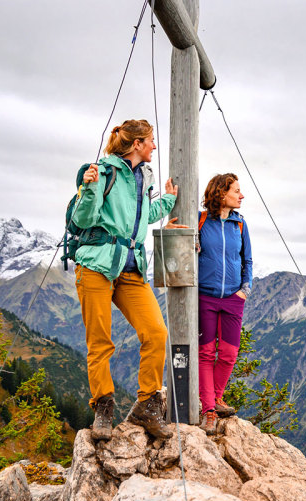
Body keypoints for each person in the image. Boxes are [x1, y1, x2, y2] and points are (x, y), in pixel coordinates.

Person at [70, 119, 179, 441]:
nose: (154, 147)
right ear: (137, 144)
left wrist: (168, 201)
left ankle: (147, 405)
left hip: (131, 267)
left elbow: (140, 217)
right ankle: (103, 407)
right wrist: (88, 188)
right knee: (100, 341)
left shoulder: (143, 176)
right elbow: (83, 219)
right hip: (96, 264)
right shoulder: (103, 172)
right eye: (151, 141)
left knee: (156, 333)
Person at [196, 173, 252, 434]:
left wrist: (245, 289)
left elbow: (247, 260)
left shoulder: (239, 224)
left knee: (229, 354)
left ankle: (216, 397)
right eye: (236, 191)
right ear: (221, 193)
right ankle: (209, 409)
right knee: (206, 353)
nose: (241, 196)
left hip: (233, 297)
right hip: (205, 296)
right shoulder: (201, 221)